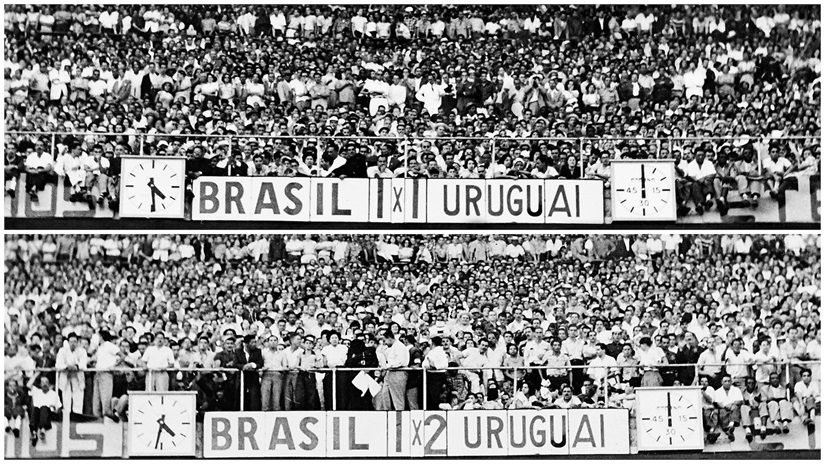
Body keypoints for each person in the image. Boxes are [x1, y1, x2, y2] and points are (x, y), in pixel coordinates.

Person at [55, 332, 87, 414]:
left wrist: (76, 366)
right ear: (68, 342)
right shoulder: (62, 351)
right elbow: (58, 364)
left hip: (77, 376)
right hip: (66, 375)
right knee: (66, 397)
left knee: (78, 397)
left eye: (75, 341)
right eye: (71, 341)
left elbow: (83, 364)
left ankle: (78, 415)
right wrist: (67, 367)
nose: (73, 344)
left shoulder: (82, 351)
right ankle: (67, 414)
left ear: (78, 342)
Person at [379, 329, 410, 410]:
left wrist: (388, 366)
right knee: (385, 396)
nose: (384, 343)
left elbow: (400, 361)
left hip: (398, 372)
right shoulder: (392, 347)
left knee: (398, 399)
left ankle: (399, 419)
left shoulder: (399, 346)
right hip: (390, 373)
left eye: (385, 340)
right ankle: (388, 416)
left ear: (389, 338)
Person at [29, 376, 61, 446]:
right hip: (37, 414)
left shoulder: (54, 394)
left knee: (44, 407)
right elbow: (28, 385)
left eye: (46, 382)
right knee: (35, 408)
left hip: (49, 414)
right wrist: (37, 373)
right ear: (40, 384)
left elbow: (58, 408)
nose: (44, 384)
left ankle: (42, 429)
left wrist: (55, 409)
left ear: (49, 384)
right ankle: (34, 432)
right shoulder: (37, 391)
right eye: (43, 382)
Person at [236, 334, 264, 411]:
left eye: (255, 342)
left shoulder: (258, 351)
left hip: (253, 378)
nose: (254, 344)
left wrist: (252, 365)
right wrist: (244, 367)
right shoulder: (238, 351)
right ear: (246, 344)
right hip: (241, 378)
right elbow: (236, 363)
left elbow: (260, 363)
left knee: (254, 397)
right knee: (241, 396)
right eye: (252, 342)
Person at [711, 374, 743, 442]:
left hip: (733, 407)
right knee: (722, 412)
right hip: (723, 408)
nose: (727, 383)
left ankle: (731, 426)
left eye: (729, 381)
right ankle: (728, 430)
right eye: (725, 381)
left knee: (735, 408)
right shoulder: (717, 391)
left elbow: (740, 400)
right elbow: (718, 403)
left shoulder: (736, 390)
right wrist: (726, 406)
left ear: (731, 382)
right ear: (722, 382)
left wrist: (732, 404)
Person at [261, 335, 285, 411]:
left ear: (277, 342)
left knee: (276, 399)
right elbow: (260, 364)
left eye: (275, 340)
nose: (273, 342)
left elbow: (284, 365)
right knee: (265, 398)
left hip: (277, 375)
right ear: (268, 342)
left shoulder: (282, 353)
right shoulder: (263, 352)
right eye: (271, 340)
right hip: (266, 374)